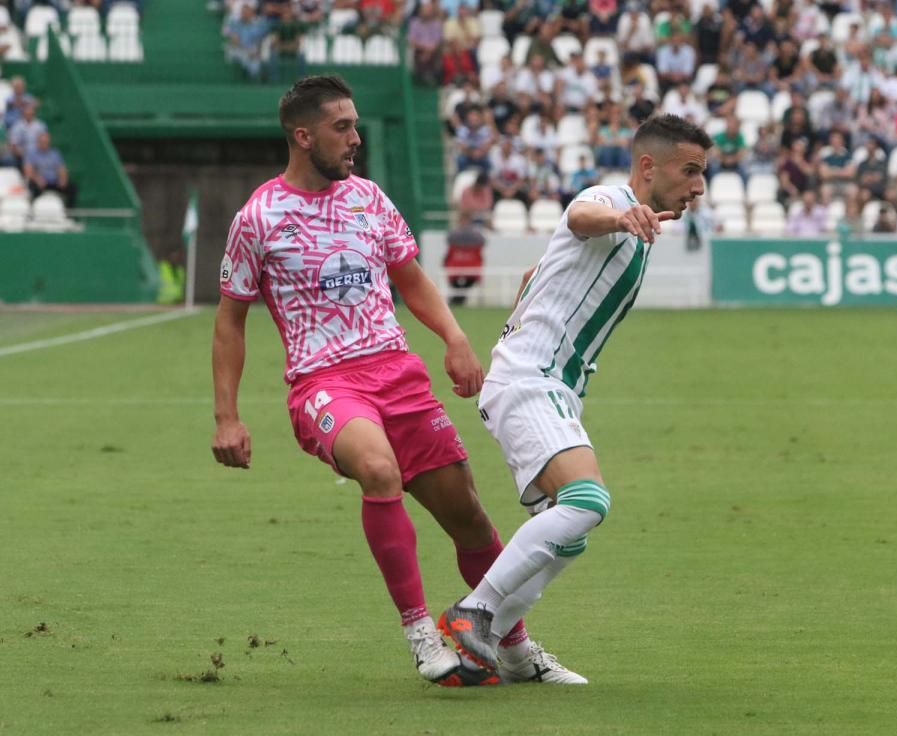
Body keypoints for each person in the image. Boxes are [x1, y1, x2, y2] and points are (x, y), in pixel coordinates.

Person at [210, 76, 582, 687]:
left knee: (469, 519)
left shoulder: (369, 199)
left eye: (355, 125)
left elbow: (410, 280)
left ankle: (514, 647)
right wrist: (227, 416)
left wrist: (456, 339)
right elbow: (230, 321)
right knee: (378, 470)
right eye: (342, 127)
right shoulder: (259, 217)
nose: (355, 138)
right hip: (324, 382)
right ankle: (419, 633)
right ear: (303, 137)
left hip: (397, 372)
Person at [437, 114, 712, 674]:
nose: (699, 186)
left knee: (567, 535)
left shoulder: (636, 231)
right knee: (587, 503)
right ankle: (476, 612)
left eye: (702, 173)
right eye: (690, 171)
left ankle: (510, 652)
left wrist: (520, 321)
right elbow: (580, 217)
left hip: (540, 383)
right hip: (531, 382)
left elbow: (538, 273)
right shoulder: (608, 199)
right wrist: (620, 215)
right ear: (647, 166)